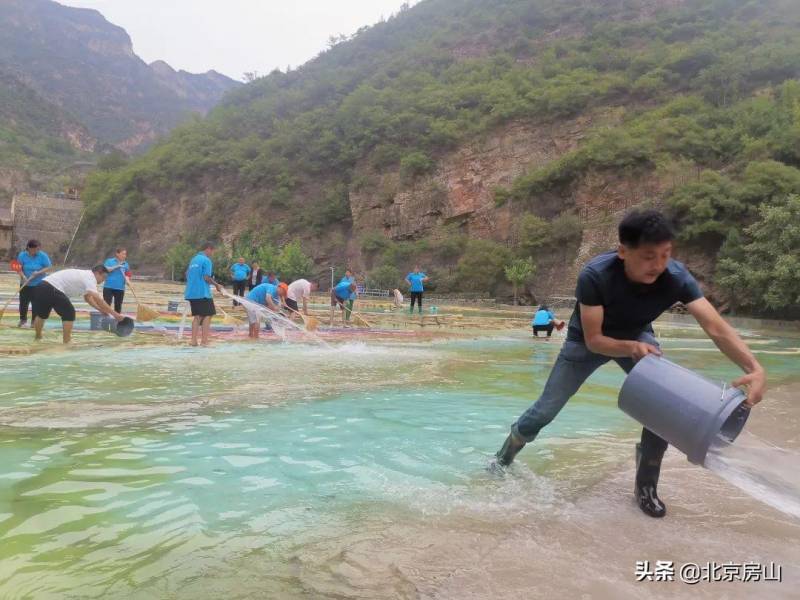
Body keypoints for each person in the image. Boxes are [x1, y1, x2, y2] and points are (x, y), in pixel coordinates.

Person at [493, 210, 767, 519]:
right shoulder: (595, 275)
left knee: (665, 405)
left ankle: (646, 484)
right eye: (649, 256)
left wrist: (753, 368)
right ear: (623, 251)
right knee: (546, 408)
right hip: (585, 342)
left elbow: (715, 326)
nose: (659, 265)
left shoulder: (676, 277)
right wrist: (631, 347)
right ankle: (505, 456)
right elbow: (595, 340)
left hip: (639, 337)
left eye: (665, 255)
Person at [33, 265, 124, 344]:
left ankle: (38, 337)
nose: (103, 281)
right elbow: (99, 299)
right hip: (52, 287)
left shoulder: (84, 276)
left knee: (42, 315)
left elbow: (88, 298)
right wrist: (115, 315)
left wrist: (100, 310)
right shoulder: (90, 277)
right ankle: (67, 342)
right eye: (103, 278)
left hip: (42, 286)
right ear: (97, 273)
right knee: (69, 313)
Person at [185, 242, 223, 347]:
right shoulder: (206, 260)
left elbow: (187, 274)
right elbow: (206, 277)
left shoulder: (194, 259)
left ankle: (193, 341)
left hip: (191, 292)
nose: (212, 254)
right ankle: (204, 341)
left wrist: (193, 282)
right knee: (208, 314)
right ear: (208, 249)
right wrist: (216, 285)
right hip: (202, 293)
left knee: (197, 316)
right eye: (212, 251)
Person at [16, 239, 52, 328]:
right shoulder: (22, 255)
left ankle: (34, 321)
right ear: (29, 248)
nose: (36, 251)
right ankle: (23, 320)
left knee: (36, 303)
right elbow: (18, 267)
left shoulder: (42, 255)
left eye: (38, 249)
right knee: (23, 303)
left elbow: (49, 267)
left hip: (38, 284)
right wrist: (23, 276)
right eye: (35, 249)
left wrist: (38, 273)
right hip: (25, 284)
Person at [103, 247, 130, 313]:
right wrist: (117, 266)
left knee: (118, 307)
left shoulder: (126, 264)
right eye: (123, 254)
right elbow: (105, 270)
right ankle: (105, 320)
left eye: (125, 254)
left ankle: (116, 322)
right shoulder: (109, 261)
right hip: (108, 287)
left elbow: (127, 274)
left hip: (120, 288)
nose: (125, 256)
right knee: (106, 305)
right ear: (117, 254)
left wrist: (127, 280)